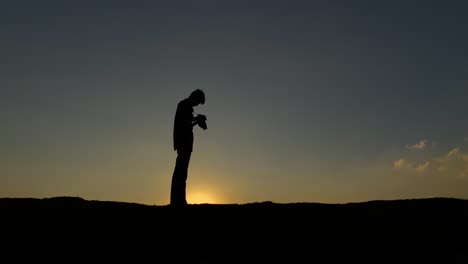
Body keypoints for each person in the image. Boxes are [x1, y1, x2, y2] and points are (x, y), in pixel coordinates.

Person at [170, 89, 206, 206]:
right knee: (180, 172)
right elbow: (184, 123)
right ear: (193, 97)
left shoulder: (187, 108)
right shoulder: (183, 105)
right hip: (183, 143)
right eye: (197, 102)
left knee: (182, 172)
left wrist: (197, 121)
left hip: (185, 143)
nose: (197, 105)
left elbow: (188, 123)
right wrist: (197, 120)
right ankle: (177, 201)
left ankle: (179, 200)